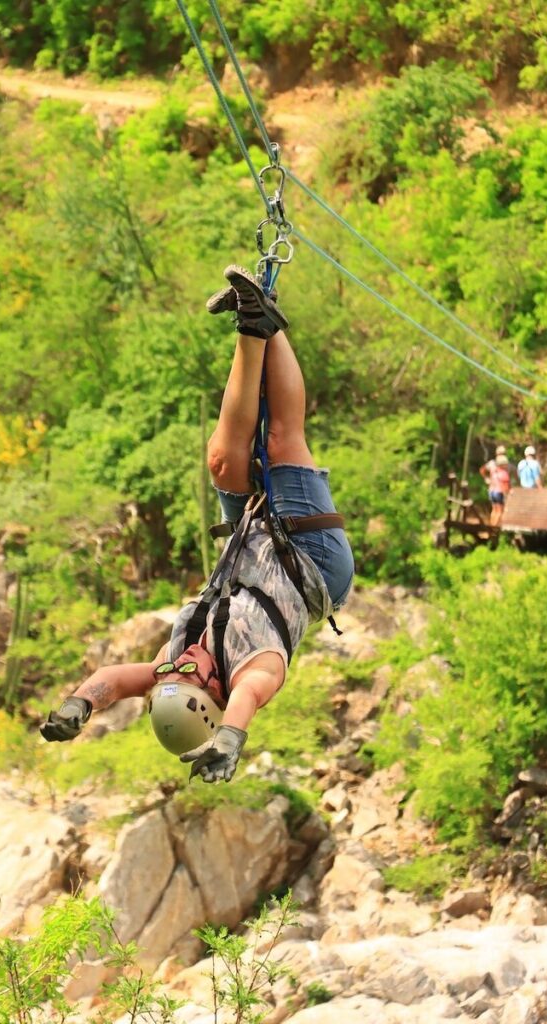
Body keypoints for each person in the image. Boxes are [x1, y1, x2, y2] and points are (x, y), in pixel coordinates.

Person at [40, 265, 354, 783]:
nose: (181, 662)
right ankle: (262, 325)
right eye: (191, 674)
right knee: (279, 441)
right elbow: (249, 699)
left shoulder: (173, 670)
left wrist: (79, 706)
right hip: (312, 566)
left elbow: (115, 680)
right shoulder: (255, 673)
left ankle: (254, 323)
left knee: (222, 461)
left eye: (173, 672)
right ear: (212, 695)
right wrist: (229, 741)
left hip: (252, 554)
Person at [480, 453, 511, 526]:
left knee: (494, 510)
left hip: (491, 492)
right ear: (502, 464)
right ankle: (494, 528)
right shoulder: (504, 473)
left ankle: (491, 525)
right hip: (499, 492)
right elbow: (505, 486)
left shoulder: (494, 471)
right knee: (500, 511)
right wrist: (507, 495)